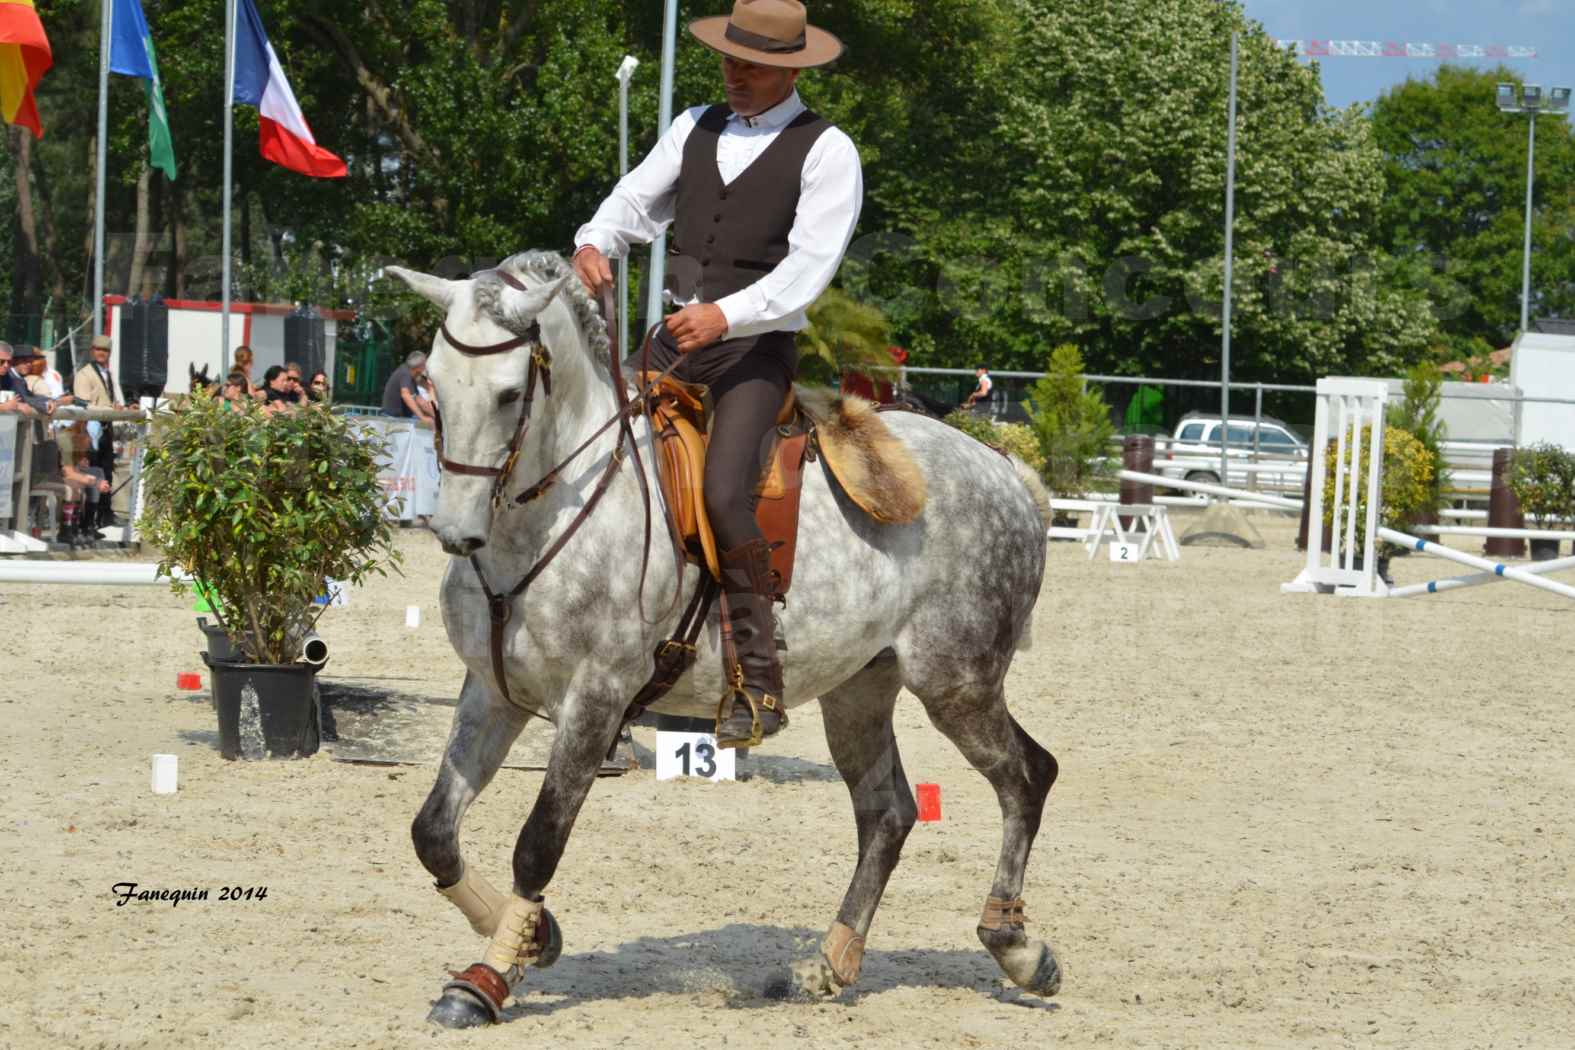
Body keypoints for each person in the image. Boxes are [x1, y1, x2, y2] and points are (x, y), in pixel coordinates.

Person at [572, 0, 862, 748]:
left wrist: (727, 316)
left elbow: (809, 267)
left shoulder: (828, 150)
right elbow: (637, 198)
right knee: (590, 454)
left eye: (751, 64)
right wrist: (596, 239)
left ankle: (756, 683)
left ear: (790, 68)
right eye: (729, 60)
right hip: (673, 336)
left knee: (724, 491)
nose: (733, 74)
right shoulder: (693, 124)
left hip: (754, 350)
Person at [381, 351, 435, 422]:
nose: (426, 367)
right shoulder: (405, 374)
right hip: (391, 418)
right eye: (425, 365)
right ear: (420, 366)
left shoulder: (410, 375)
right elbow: (406, 395)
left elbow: (419, 400)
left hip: (396, 418)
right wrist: (423, 417)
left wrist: (436, 415)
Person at [0, 342, 45, 417]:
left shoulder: (8, 378)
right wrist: (3, 407)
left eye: (9, 362)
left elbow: (26, 397)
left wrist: (51, 402)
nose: (6, 365)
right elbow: (6, 405)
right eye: (1, 362)